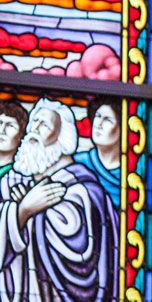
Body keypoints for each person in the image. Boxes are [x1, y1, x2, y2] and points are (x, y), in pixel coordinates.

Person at [0, 97, 119, 302]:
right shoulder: (10, 182)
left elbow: (81, 247)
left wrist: (29, 212)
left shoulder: (82, 187)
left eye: (44, 124)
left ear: (62, 139)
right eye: (33, 122)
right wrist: (22, 210)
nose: (33, 129)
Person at [73, 96, 121, 205]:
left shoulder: (131, 172)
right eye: (98, 116)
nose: (98, 125)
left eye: (108, 120)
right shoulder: (78, 163)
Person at [0, 103, 27, 179]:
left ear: (21, 135)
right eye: (0, 123)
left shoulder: (20, 175)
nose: (2, 130)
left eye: (11, 126)